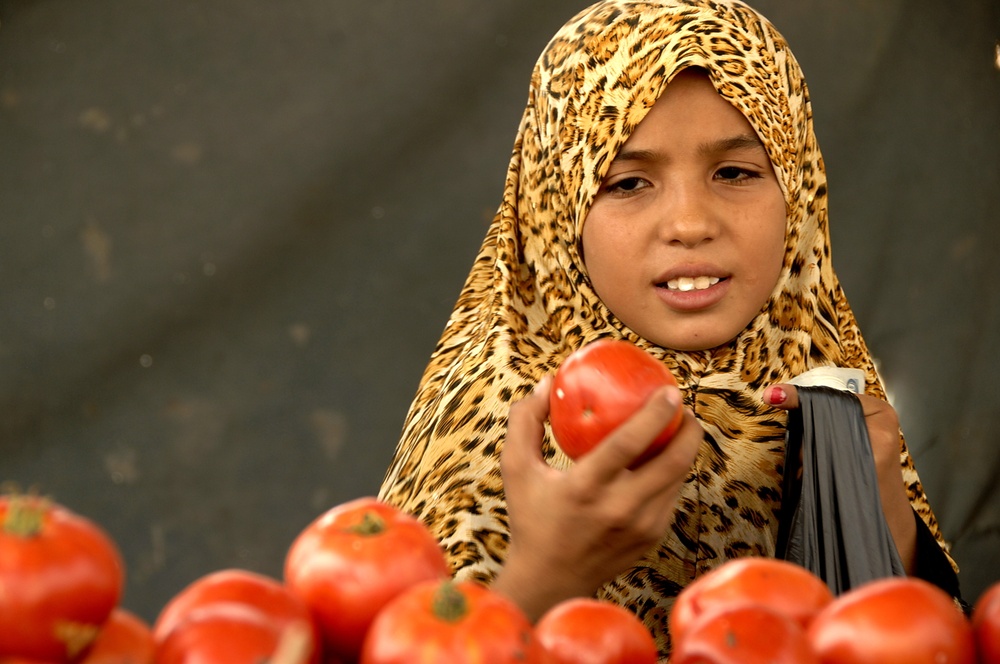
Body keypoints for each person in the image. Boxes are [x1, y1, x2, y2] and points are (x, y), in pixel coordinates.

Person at [378, 0, 963, 657]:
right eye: (628, 182)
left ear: (797, 193)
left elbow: (920, 641)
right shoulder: (506, 424)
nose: (689, 222)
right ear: (555, 213)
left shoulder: (827, 391)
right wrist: (546, 573)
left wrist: (880, 535)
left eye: (736, 173)